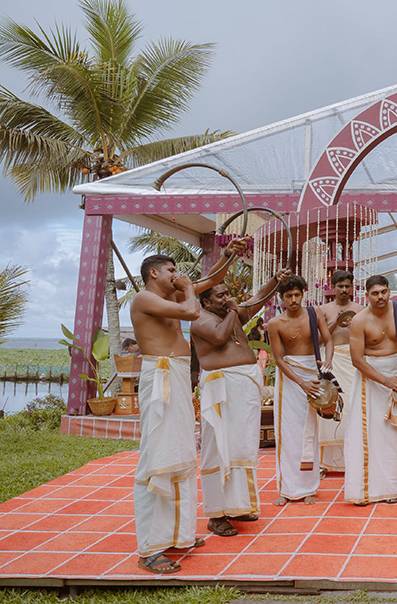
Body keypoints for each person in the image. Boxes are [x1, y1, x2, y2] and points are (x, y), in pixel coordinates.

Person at [129, 237, 247, 574]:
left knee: (180, 454)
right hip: (161, 378)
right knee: (159, 457)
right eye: (171, 270)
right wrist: (188, 287)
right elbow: (193, 309)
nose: (177, 275)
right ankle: (150, 549)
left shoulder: (169, 295)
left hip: (177, 377)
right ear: (154, 273)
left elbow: (208, 282)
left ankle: (178, 535)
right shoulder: (145, 299)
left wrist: (227, 254)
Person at [190, 269, 289, 538]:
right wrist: (234, 309)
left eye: (228, 294)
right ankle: (216, 514)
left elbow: (257, 299)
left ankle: (238, 506)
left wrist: (275, 281)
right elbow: (221, 337)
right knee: (219, 448)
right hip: (221, 388)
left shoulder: (228, 314)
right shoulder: (200, 318)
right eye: (221, 296)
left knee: (242, 447)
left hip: (243, 386)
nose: (228, 298)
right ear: (207, 302)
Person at [344, 275, 397, 505]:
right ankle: (366, 489)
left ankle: (391, 488)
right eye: (375, 293)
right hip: (372, 378)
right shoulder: (359, 321)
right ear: (367, 295)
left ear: (389, 292)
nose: (380, 297)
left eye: (384, 292)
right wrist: (385, 380)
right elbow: (357, 360)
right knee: (367, 433)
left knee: (394, 433)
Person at [267, 275, 334, 506]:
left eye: (297, 295)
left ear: (303, 294)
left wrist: (328, 361)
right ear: (281, 298)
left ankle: (308, 488)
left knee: (310, 431)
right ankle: (286, 489)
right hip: (290, 378)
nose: (294, 300)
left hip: (313, 374)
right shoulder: (275, 324)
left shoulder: (315, 314)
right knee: (287, 433)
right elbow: (278, 359)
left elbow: (328, 340)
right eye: (288, 296)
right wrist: (301, 382)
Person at [317, 270, 364, 475]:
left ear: (352, 287)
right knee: (331, 406)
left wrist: (355, 325)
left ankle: (356, 458)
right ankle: (326, 463)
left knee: (354, 408)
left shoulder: (361, 309)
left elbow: (367, 337)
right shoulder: (323, 309)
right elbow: (318, 340)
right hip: (332, 361)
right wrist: (336, 321)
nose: (344, 290)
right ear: (333, 287)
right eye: (340, 286)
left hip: (354, 362)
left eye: (347, 286)